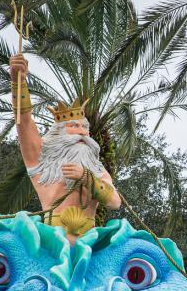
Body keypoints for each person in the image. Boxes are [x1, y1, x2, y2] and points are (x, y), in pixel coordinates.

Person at [9, 52, 121, 241]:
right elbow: (24, 122)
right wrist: (18, 82)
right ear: (59, 132)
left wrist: (86, 178)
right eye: (75, 127)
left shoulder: (97, 170)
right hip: (51, 244)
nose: (83, 133)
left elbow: (114, 202)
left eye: (85, 128)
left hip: (89, 246)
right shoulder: (42, 159)